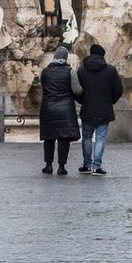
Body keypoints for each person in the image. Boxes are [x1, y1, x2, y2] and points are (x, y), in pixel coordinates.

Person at [75, 43, 122, 175]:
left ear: (90, 54)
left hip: (88, 108)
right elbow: (119, 89)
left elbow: (77, 90)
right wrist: (111, 100)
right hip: (104, 108)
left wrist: (82, 101)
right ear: (102, 55)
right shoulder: (110, 70)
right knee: (100, 138)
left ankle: (87, 165)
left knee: (86, 137)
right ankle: (97, 166)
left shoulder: (82, 70)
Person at [38, 46, 80, 175]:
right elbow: (77, 90)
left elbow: (43, 86)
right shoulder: (70, 71)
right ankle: (61, 167)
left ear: (54, 57)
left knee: (49, 138)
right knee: (63, 138)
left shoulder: (44, 72)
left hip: (48, 107)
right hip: (65, 108)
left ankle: (48, 165)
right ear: (65, 58)